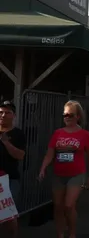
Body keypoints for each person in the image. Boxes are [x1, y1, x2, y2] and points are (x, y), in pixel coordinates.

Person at [39, 101, 89, 238]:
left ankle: (72, 233)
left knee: (69, 205)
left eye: (70, 115)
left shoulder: (85, 134)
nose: (67, 118)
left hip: (76, 175)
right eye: (65, 115)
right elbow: (50, 153)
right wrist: (43, 168)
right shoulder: (57, 133)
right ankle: (60, 234)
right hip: (59, 175)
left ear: (78, 117)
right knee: (58, 206)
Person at [0, 101, 25, 238]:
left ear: (13, 115)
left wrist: (5, 142)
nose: (3, 115)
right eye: (1, 112)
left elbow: (20, 155)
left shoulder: (18, 134)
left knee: (9, 214)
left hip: (10, 179)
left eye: (7, 112)